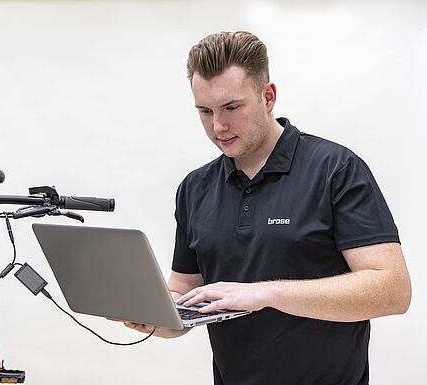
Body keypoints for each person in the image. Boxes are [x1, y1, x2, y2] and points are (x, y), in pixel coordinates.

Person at [124, 31, 412, 385]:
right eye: (205, 111)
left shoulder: (335, 169)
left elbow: (392, 291)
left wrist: (265, 293)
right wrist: (155, 315)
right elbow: (184, 294)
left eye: (231, 107)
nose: (218, 126)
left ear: (268, 96)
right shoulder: (194, 189)